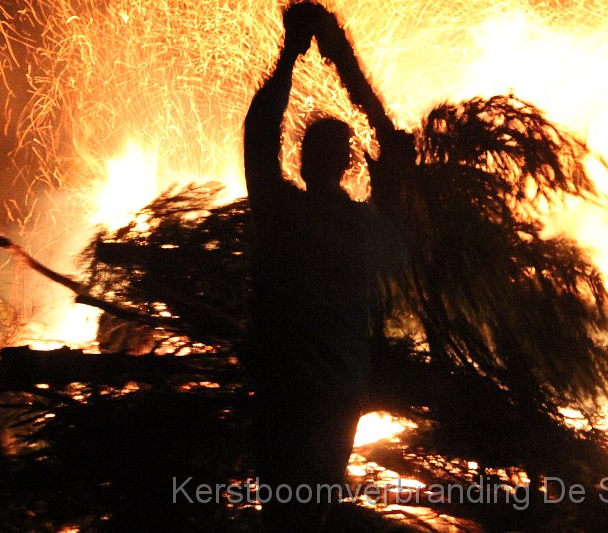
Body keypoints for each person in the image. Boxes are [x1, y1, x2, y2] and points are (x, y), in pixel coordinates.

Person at [242, 3, 408, 530]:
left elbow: (259, 134)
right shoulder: (366, 231)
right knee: (313, 512)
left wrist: (289, 55)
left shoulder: (280, 212)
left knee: (283, 515)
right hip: (336, 394)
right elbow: (402, 166)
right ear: (348, 165)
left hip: (283, 393)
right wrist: (358, 86)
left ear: (303, 159)